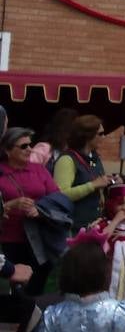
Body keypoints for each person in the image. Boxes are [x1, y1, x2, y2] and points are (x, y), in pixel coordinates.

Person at [0, 127, 61, 296]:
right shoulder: (1, 172)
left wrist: (40, 210)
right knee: (10, 288)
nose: (29, 149)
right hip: (7, 239)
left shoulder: (39, 170)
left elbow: (57, 199)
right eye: (23, 146)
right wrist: (10, 204)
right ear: (7, 150)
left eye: (30, 145)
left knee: (36, 286)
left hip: (38, 239)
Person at [76, 184, 125, 301]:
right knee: (106, 294)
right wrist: (116, 221)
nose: (124, 207)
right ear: (112, 204)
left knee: (123, 292)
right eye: (120, 204)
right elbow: (102, 237)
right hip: (107, 271)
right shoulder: (104, 224)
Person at [54, 115, 116, 232]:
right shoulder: (67, 160)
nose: (104, 137)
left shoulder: (94, 158)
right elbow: (60, 195)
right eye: (100, 134)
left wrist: (110, 181)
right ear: (88, 136)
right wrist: (92, 185)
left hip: (95, 225)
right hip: (73, 228)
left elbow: (97, 184)